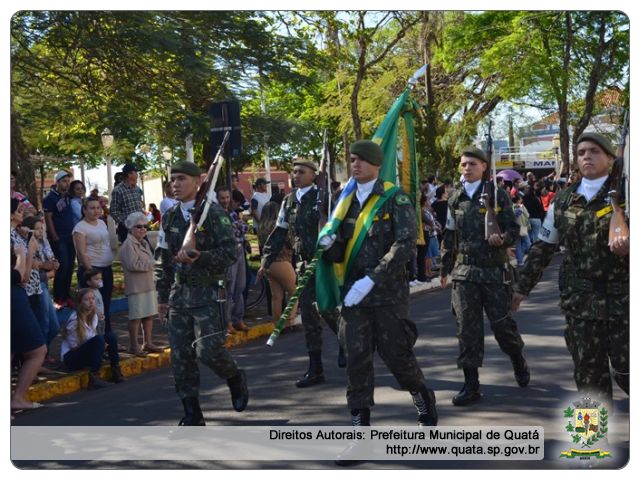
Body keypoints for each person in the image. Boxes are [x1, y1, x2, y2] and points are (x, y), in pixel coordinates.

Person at [320, 140, 437, 429]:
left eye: (361, 160)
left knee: (397, 356)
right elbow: (340, 251)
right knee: (356, 361)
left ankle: (422, 397)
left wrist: (373, 278)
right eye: (352, 159)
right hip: (354, 298)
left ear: (376, 165)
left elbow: (406, 244)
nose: (355, 165)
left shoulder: (394, 198)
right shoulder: (344, 202)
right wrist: (327, 246)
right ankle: (360, 431)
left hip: (387, 295)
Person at [512, 132, 629, 400]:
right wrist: (521, 287)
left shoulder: (629, 194)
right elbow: (544, 246)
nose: (587, 156)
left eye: (595, 151)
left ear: (610, 157)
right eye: (581, 152)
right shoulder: (563, 200)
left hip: (624, 301)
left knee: (628, 370)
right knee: (588, 377)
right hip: (581, 303)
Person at [156, 161, 248, 426]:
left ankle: (234, 377)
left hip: (209, 294)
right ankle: (192, 413)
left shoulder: (214, 214)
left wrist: (200, 257)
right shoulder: (170, 217)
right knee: (181, 357)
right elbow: (162, 258)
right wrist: (162, 297)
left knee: (208, 351)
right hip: (180, 295)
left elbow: (231, 253)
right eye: (172, 179)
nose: (175, 184)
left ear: (198, 182)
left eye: (182, 179)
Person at [439, 146, 529, 406]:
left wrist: (503, 239)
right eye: (464, 164)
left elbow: (515, 228)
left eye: (472, 164)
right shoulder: (456, 198)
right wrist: (445, 268)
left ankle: (517, 359)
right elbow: (449, 235)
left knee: (502, 327)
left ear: (484, 167)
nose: (467, 168)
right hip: (464, 273)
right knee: (466, 329)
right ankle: (471, 384)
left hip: (493, 272)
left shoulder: (498, 195)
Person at [261, 159, 343, 388]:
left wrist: (332, 242)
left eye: (300, 172)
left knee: (327, 310)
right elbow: (279, 232)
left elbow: (339, 225)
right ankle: (315, 368)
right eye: (294, 172)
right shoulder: (288, 202)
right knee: (308, 316)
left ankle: (346, 343)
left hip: (324, 263)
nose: (295, 175)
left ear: (313, 175)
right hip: (303, 264)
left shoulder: (323, 197)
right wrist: (267, 258)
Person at [60, 288, 124, 388]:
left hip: (85, 353)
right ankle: (94, 378)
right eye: (86, 300)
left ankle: (115, 371)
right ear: (80, 303)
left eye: (92, 299)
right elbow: (74, 347)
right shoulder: (74, 321)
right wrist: (99, 346)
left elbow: (93, 338)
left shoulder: (93, 316)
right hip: (71, 359)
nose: (91, 302)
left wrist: (100, 345)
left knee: (111, 336)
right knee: (99, 340)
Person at [119, 212, 163, 355]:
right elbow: (133, 264)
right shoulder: (128, 244)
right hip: (136, 287)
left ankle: (147, 342)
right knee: (136, 317)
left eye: (145, 226)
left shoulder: (144, 242)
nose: (143, 229)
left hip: (148, 284)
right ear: (131, 228)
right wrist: (153, 263)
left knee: (149, 315)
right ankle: (134, 345)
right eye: (139, 226)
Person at [11, 241, 47, 410]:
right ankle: (17, 397)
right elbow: (18, 277)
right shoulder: (15, 241)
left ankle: (17, 398)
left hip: (17, 297)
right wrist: (22, 254)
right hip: (14, 301)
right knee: (37, 350)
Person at [72, 198, 114, 332]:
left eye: (98, 207)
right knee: (92, 307)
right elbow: (81, 252)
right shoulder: (80, 227)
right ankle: (92, 338)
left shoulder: (102, 222)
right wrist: (91, 274)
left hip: (106, 268)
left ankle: (107, 337)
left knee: (105, 305)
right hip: (92, 271)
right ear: (84, 210)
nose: (96, 210)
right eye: (92, 208)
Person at [22, 215, 61, 363]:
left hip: (44, 285)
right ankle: (40, 356)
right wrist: (46, 268)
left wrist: (51, 265)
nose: (40, 231)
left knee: (54, 326)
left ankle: (43, 352)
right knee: (44, 322)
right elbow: (35, 266)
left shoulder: (44, 241)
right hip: (36, 286)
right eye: (36, 228)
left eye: (41, 228)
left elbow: (51, 261)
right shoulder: (28, 244)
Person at [256, 201, 299, 332]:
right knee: (295, 292)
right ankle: (289, 322)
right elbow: (289, 242)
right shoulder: (279, 227)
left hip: (267, 263)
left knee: (276, 296)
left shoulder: (260, 227)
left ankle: (277, 324)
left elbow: (257, 247)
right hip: (281, 260)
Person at [216, 186, 250, 333]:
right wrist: (238, 227)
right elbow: (232, 230)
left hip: (240, 249)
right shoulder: (216, 213)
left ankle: (238, 319)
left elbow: (243, 228)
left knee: (240, 287)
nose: (225, 200)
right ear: (217, 199)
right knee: (229, 289)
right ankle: (227, 322)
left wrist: (238, 227)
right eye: (222, 198)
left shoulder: (231, 213)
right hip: (228, 253)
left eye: (227, 197)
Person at [42, 170, 76, 309]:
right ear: (57, 182)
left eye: (68, 181)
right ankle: (58, 297)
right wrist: (54, 235)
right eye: (63, 180)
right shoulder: (50, 198)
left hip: (70, 236)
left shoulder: (68, 196)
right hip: (59, 237)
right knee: (62, 267)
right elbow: (48, 217)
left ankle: (66, 295)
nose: (66, 183)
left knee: (70, 268)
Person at [110, 164, 144, 244]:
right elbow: (113, 211)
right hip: (126, 230)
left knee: (146, 252)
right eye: (135, 172)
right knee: (130, 255)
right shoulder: (118, 190)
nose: (137, 174)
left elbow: (140, 204)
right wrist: (126, 223)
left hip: (140, 226)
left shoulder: (137, 189)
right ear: (129, 174)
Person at [83, 269, 106, 335]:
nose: (100, 281)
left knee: (102, 333)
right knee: (97, 334)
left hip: (100, 318)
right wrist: (97, 313)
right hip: (94, 319)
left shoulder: (97, 290)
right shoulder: (90, 293)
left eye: (100, 278)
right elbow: (91, 305)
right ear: (89, 282)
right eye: (96, 279)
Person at [512, 194, 531, 267]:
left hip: (515, 228)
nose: (521, 200)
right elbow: (528, 215)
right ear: (518, 200)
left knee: (518, 245)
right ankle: (530, 258)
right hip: (522, 227)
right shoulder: (522, 207)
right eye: (520, 199)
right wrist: (522, 209)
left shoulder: (512, 207)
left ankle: (520, 261)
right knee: (528, 243)